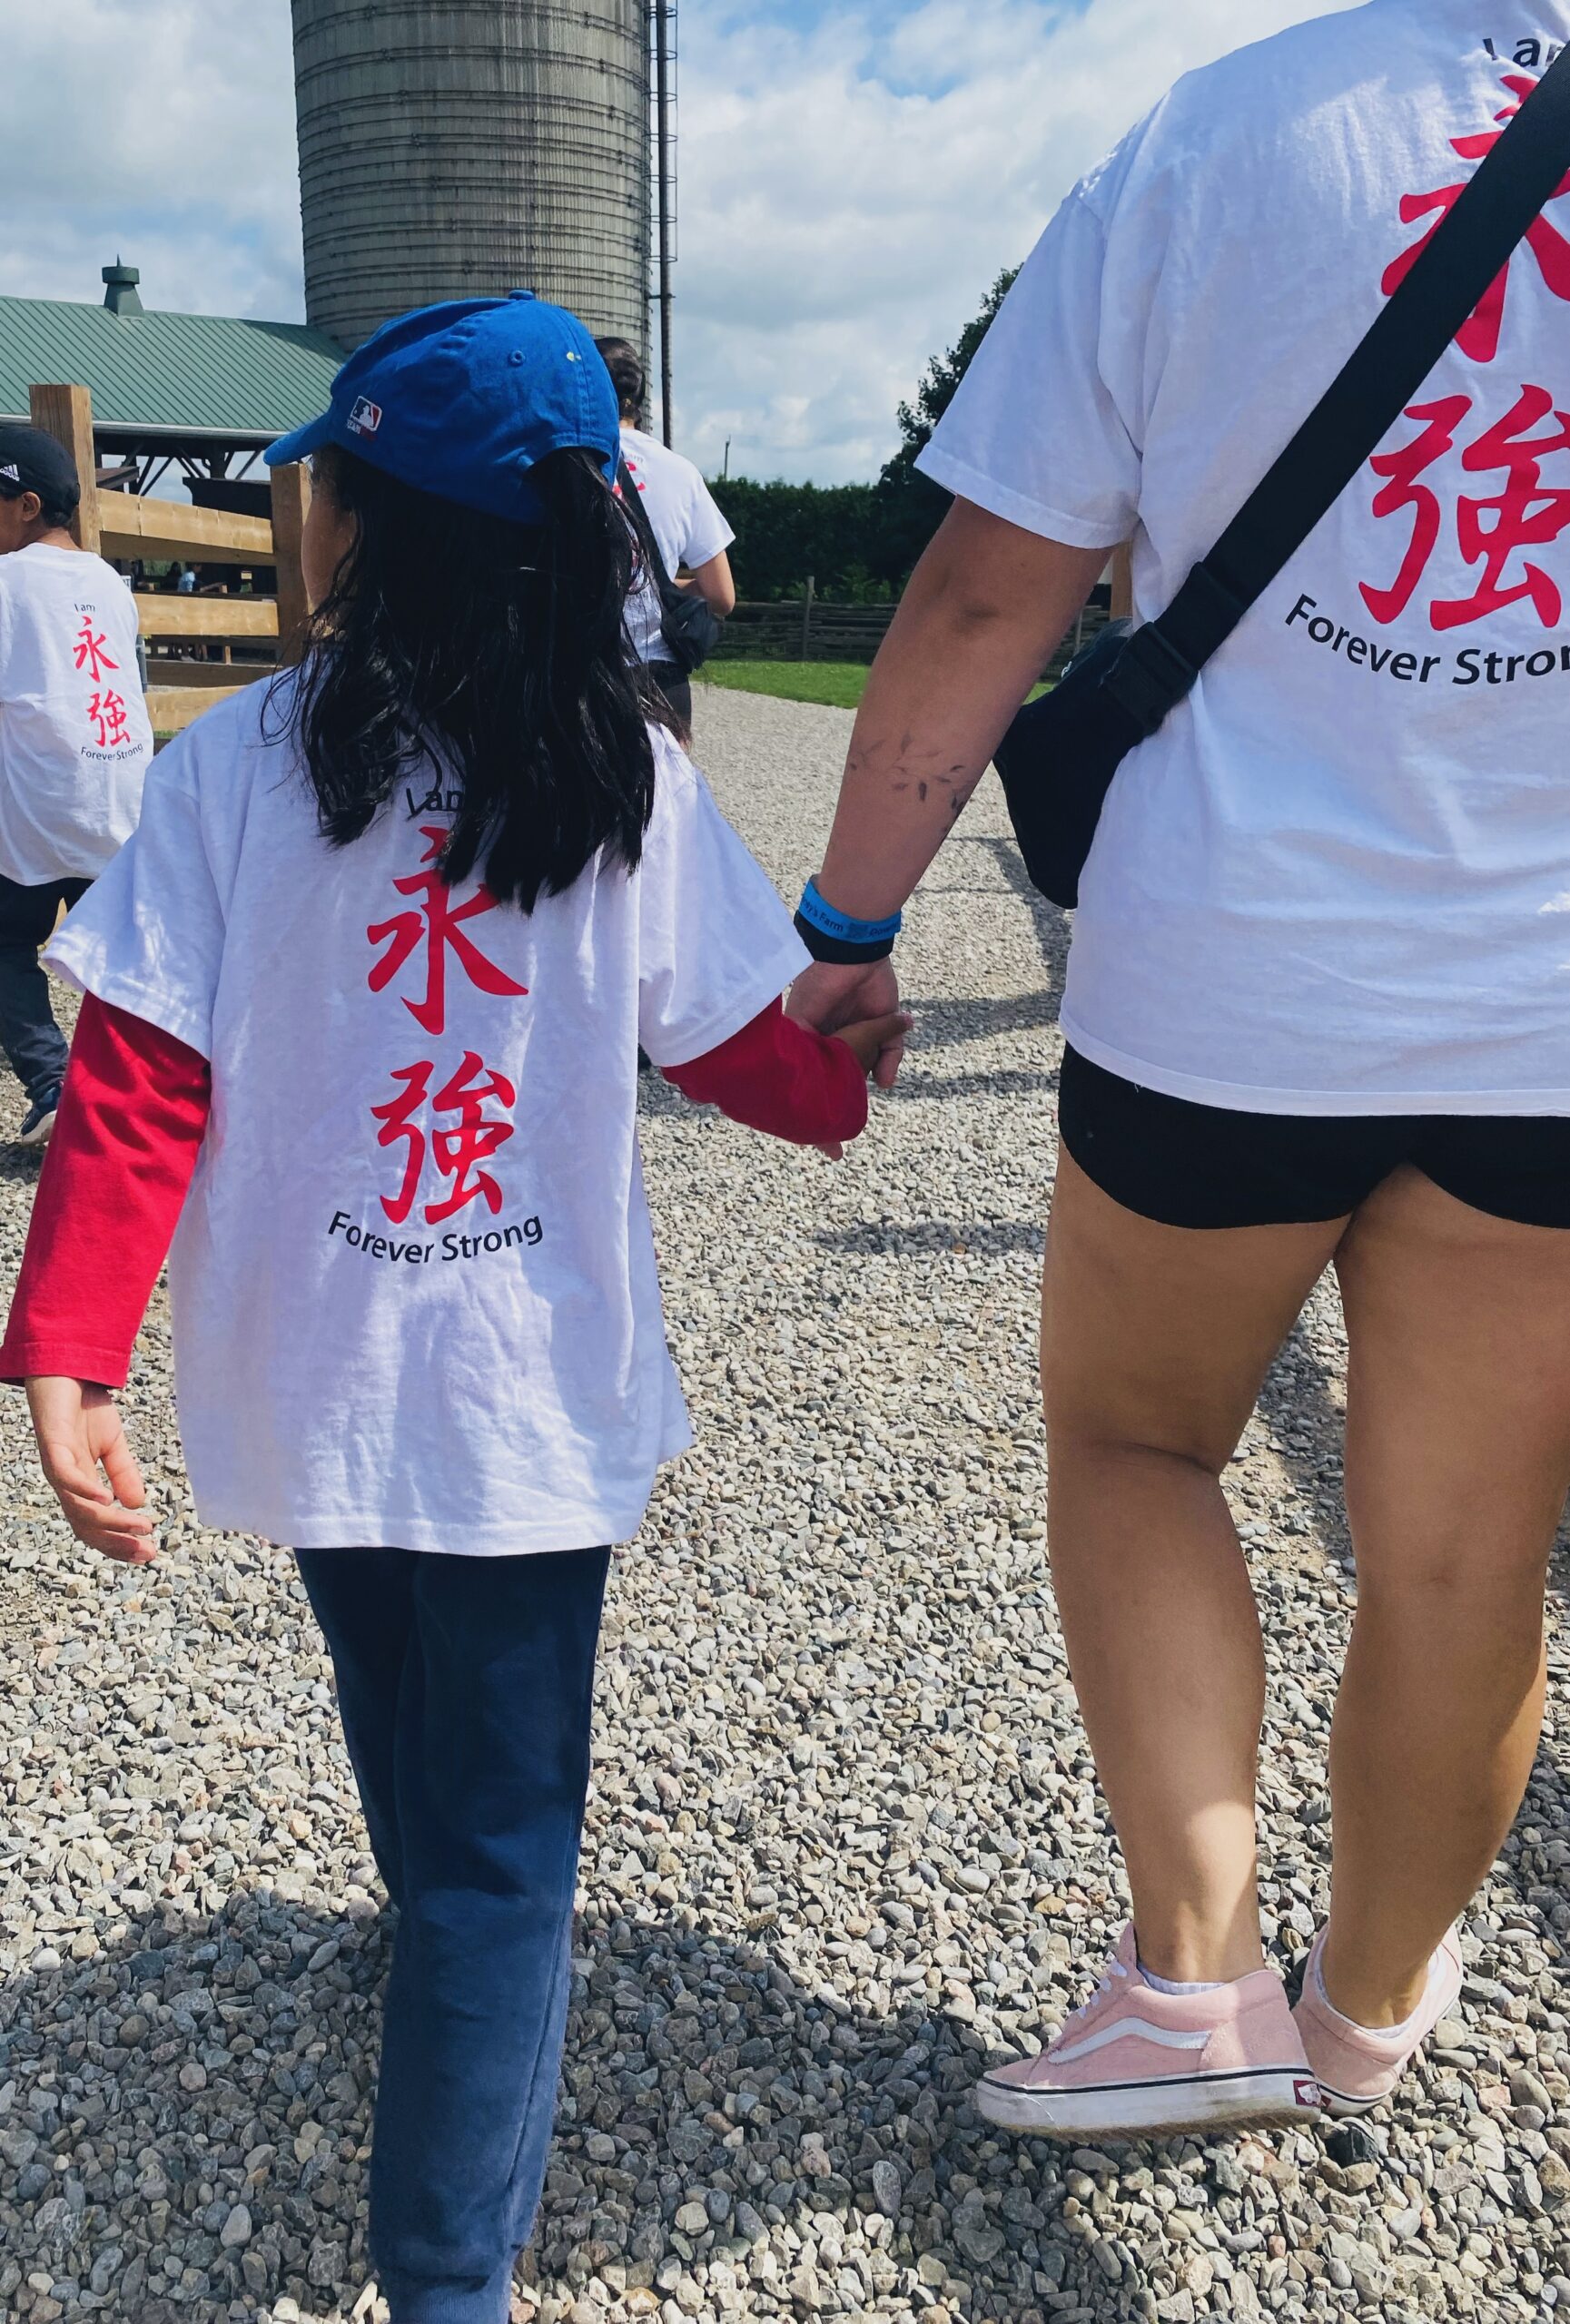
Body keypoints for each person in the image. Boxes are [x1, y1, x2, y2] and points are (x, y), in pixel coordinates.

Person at [0, 293, 906, 2324]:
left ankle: (430, 2021)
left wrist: (70, 1346)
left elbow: (139, 1073)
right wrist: (848, 1082)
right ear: (588, 534)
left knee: (391, 1684)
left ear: (365, 526)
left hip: (310, 1364)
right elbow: (743, 1039)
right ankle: (446, 2271)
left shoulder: (241, 764)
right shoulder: (625, 781)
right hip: (523, 1389)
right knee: (508, 1837)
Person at [788, 0, 1570, 2138]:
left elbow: (979, 596)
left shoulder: (1223, 138)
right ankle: (1371, 2012)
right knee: (1464, 1549)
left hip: (1230, 978)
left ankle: (1195, 1971)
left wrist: (853, 927)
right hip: (1551, 1013)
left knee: (1139, 1439)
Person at [0, 424, 151, 1144]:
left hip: (34, 816)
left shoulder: (4, 582)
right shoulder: (109, 583)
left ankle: (55, 1086)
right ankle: (121, 1098)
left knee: (3, 948)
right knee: (113, 965)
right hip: (119, 813)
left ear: (26, 504)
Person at [594, 336, 736, 725]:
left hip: (588, 675)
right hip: (662, 682)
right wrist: (657, 584)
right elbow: (721, 596)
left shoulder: (570, 467)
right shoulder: (681, 471)